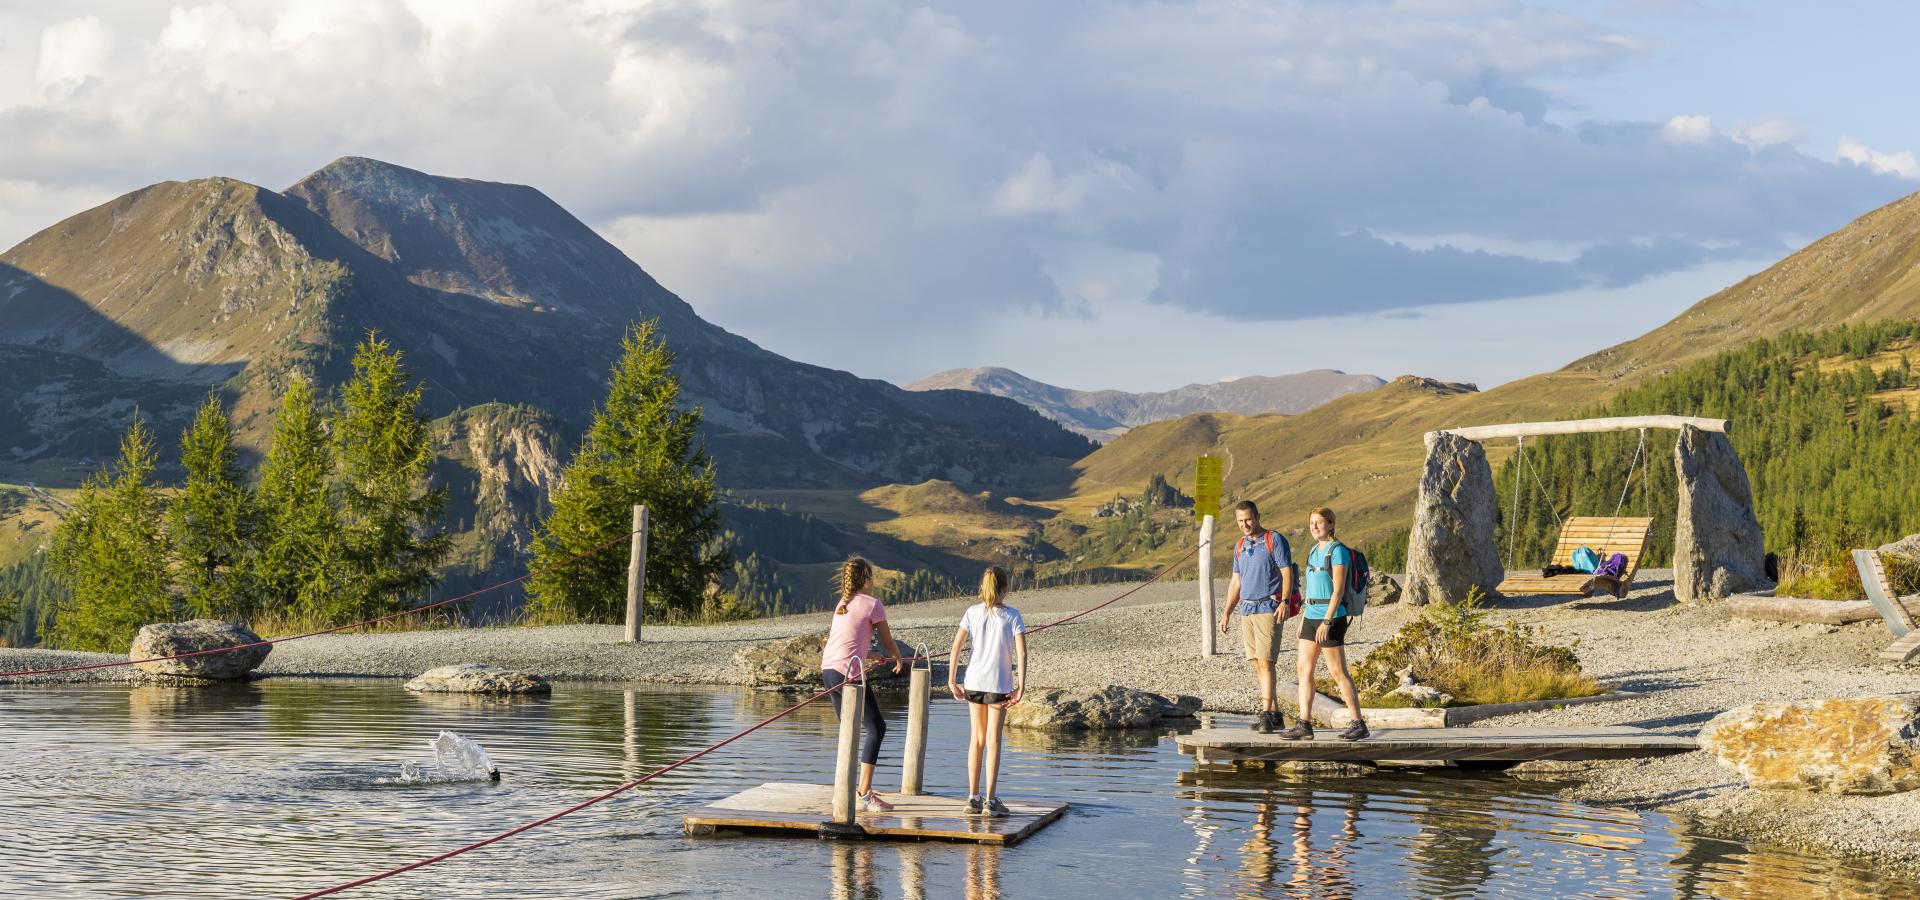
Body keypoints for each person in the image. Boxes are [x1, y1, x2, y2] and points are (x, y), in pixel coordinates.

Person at [819, 556, 905, 811]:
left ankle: (844, 792)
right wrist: (897, 657)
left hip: (829, 671)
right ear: (866, 578)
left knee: (850, 732)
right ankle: (864, 793)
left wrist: (869, 654)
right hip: (848, 675)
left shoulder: (842, 604)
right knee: (876, 728)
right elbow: (888, 640)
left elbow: (845, 639)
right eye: (872, 576)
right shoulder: (873, 605)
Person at [1276, 507, 1368, 741]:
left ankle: (1358, 723)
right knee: (1303, 670)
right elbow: (1311, 589)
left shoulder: (1338, 552)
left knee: (1338, 672)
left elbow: (1337, 591)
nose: (1315, 527)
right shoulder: (1313, 551)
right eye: (1311, 523)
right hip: (1312, 615)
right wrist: (1305, 618)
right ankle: (1304, 724)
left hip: (1332, 616)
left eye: (1319, 522)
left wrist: (1327, 621)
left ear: (1330, 525)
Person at [947, 566, 1027, 817]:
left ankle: (973, 797)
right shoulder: (1013, 615)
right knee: (993, 741)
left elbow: (956, 647)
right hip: (998, 685)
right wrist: (1021, 686)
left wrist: (951, 680)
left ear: (983, 588)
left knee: (977, 740)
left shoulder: (972, 612)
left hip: (973, 682)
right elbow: (1022, 653)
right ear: (1005, 589)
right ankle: (990, 801)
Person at [1217, 500, 1294, 733]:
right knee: (1256, 664)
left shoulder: (1274, 540)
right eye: (1240, 521)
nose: (1245, 524)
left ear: (1257, 516)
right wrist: (1226, 612)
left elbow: (1286, 571)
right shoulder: (1239, 546)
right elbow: (1236, 581)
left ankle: (1266, 714)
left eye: (1248, 519)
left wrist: (1285, 601)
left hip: (1268, 606)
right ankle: (1275, 715)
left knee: (1266, 662)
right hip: (1246, 609)